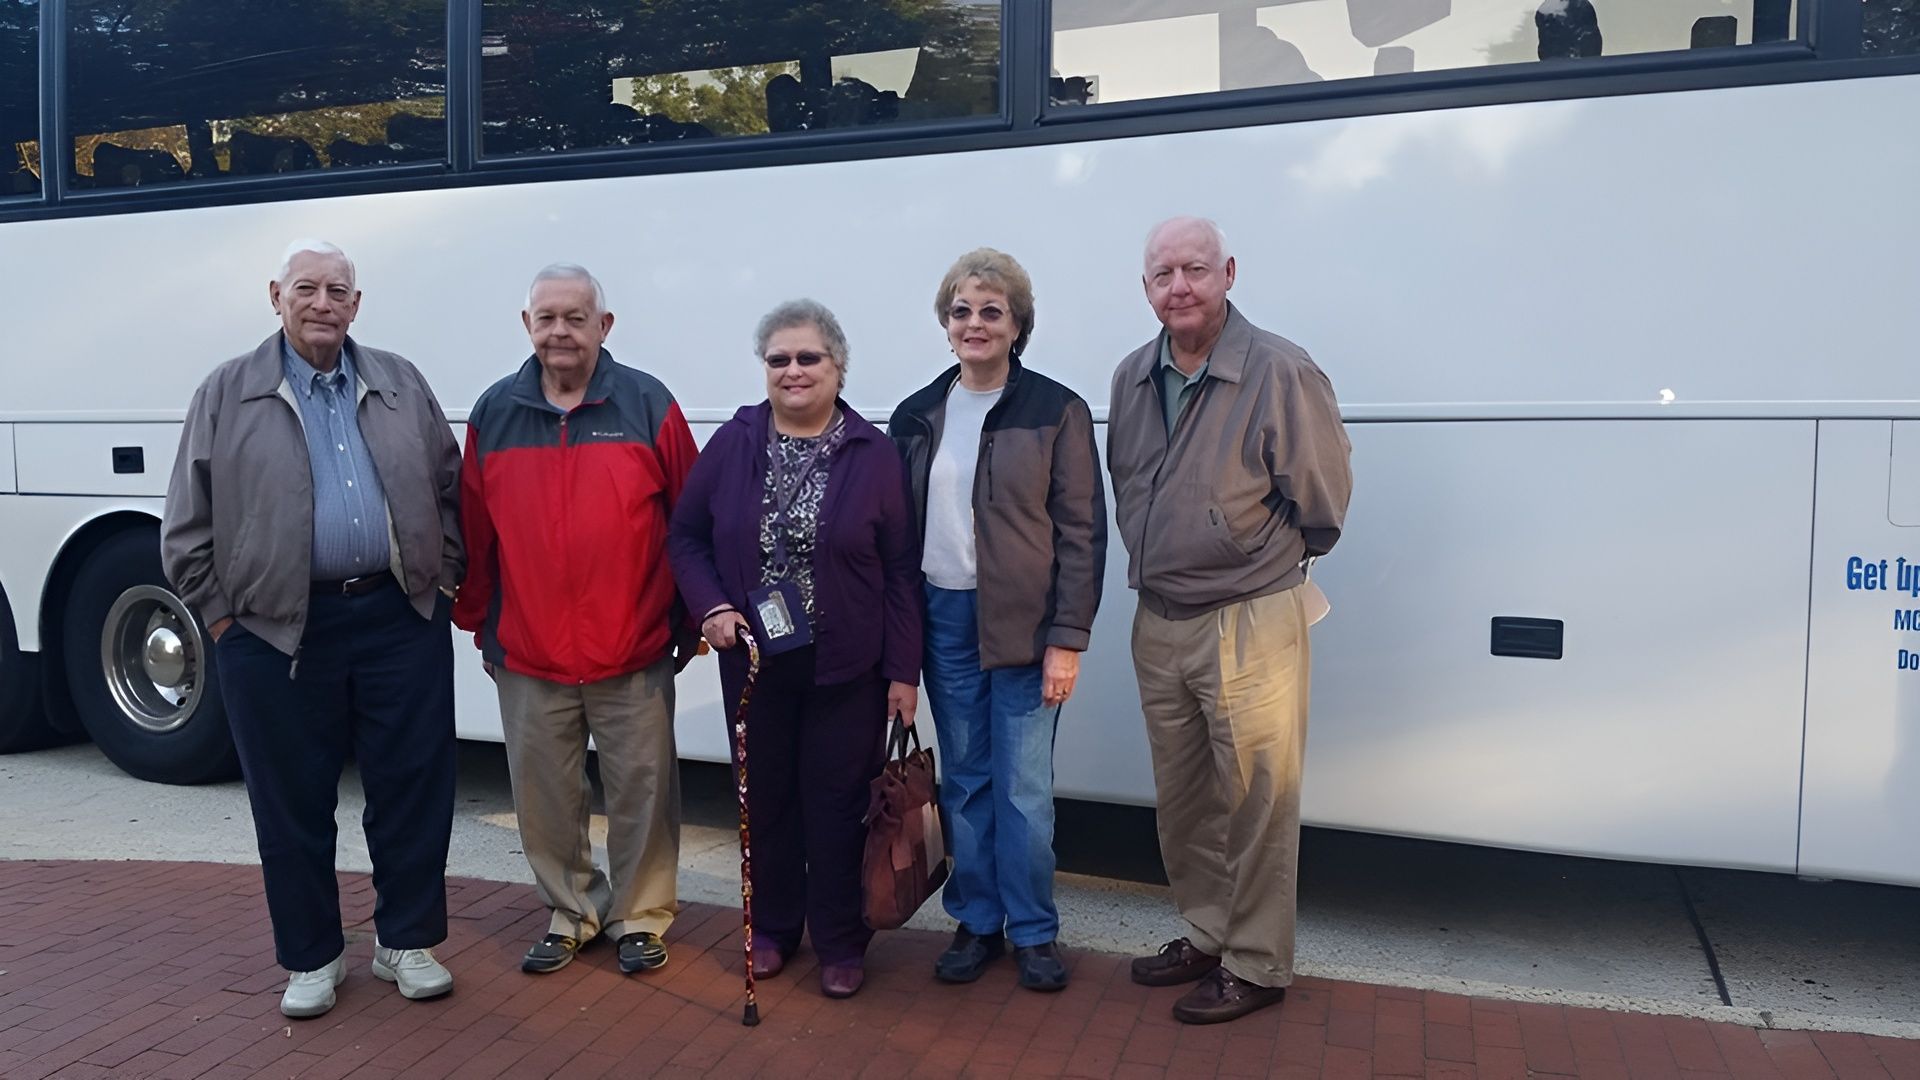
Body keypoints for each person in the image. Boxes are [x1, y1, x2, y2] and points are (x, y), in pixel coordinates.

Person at [162, 239, 463, 1018]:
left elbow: (448, 484)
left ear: (356, 306)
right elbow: (186, 527)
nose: (322, 302)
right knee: (290, 801)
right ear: (276, 296)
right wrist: (225, 619)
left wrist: (443, 576)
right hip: (273, 633)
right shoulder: (227, 392)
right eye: (306, 288)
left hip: (400, 617)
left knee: (412, 787)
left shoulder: (399, 381)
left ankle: (406, 940)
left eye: (337, 290)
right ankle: (310, 956)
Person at [1107, 217, 1352, 1024]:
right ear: (1145, 288)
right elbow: (1129, 484)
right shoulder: (1132, 377)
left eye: (1196, 270)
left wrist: (1255, 558)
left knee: (1256, 799)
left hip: (1249, 618)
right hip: (1161, 617)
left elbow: (1323, 499)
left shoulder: (1280, 369)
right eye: (1163, 274)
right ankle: (1207, 933)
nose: (1179, 287)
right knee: (1184, 799)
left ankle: (1256, 963)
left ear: (1229, 275)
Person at [668, 299, 921, 1000]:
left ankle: (842, 940)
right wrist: (712, 608)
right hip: (755, 664)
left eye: (808, 357)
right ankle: (775, 928)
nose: (793, 370)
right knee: (766, 801)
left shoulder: (873, 453)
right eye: (779, 358)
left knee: (838, 806)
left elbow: (900, 571)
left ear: (838, 366)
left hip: (850, 669)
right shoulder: (736, 442)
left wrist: (904, 672)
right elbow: (684, 536)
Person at [453, 264, 700, 977]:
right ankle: (571, 912)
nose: (560, 332)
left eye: (575, 317)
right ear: (526, 325)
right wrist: (481, 623)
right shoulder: (494, 412)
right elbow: (477, 530)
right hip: (528, 650)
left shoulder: (649, 404)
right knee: (545, 798)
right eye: (546, 318)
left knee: (644, 795)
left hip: (634, 646)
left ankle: (640, 916)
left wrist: (684, 625)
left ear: (604, 326)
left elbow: (689, 521)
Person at [889, 249, 1105, 992]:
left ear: (1017, 325)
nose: (974, 324)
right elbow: (896, 537)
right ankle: (977, 920)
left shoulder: (1056, 409)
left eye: (991, 311)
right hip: (944, 615)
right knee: (966, 784)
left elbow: (1082, 533)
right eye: (961, 311)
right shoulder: (917, 414)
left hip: (1027, 625)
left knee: (1023, 790)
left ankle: (1035, 930)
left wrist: (1067, 640)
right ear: (945, 324)